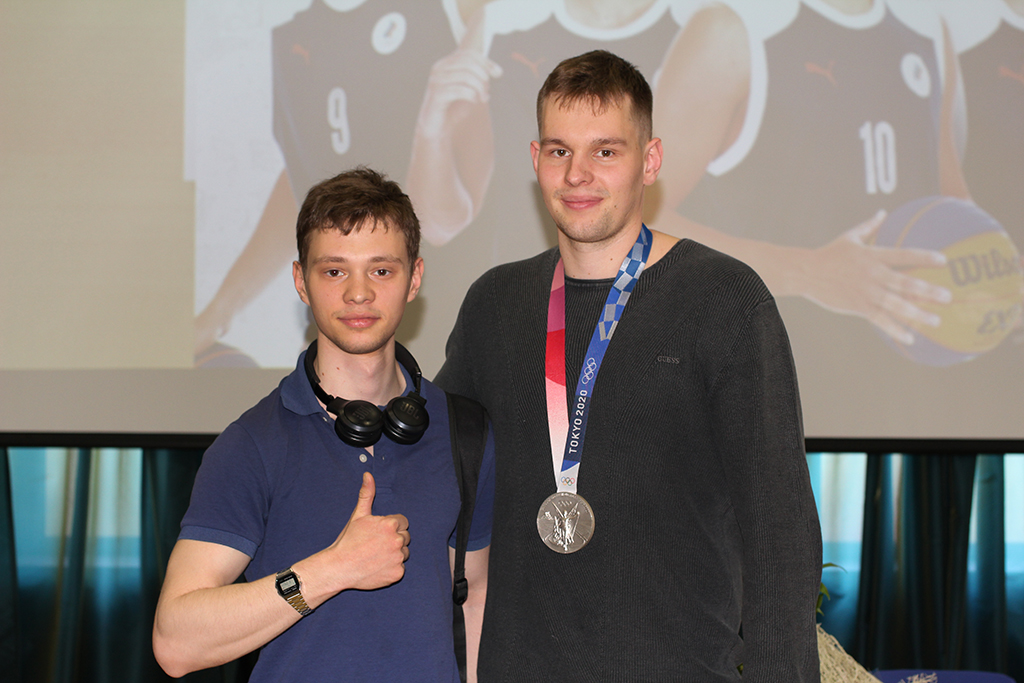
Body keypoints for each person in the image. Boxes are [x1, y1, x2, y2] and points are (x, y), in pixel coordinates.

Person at [435, 50, 822, 681]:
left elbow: (779, 528)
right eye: (559, 150)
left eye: (606, 151)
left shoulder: (724, 300)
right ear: (535, 159)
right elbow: (435, 478)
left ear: (651, 160)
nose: (577, 174)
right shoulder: (495, 305)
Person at [155, 167, 495, 682]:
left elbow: (474, 601)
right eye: (335, 271)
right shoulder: (253, 444)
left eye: (381, 270)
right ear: (301, 282)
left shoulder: (464, 433)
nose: (358, 293)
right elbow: (176, 643)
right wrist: (334, 569)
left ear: (414, 278)